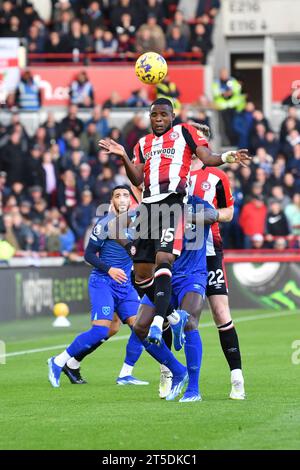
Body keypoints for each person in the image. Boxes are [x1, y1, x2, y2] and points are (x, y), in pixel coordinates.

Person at [99, 98, 250, 350]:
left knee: (164, 259)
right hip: (148, 206)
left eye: (163, 115)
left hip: (173, 203)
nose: (158, 119)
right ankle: (171, 316)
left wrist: (227, 156)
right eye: (154, 115)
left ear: (172, 116)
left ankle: (159, 321)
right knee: (142, 275)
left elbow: (207, 156)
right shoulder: (142, 144)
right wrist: (124, 155)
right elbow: (137, 177)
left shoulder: (184, 132)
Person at [48, 185, 187, 389]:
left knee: (142, 329)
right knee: (100, 332)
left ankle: (159, 371)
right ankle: (58, 361)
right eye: (117, 196)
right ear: (112, 201)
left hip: (125, 285)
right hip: (103, 282)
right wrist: (110, 268)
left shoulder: (139, 223)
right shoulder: (104, 224)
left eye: (125, 195)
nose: (122, 199)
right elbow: (88, 255)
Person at [134, 195, 218, 402]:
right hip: (164, 277)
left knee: (189, 323)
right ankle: (177, 370)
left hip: (192, 275)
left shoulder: (197, 202)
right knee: (140, 327)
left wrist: (180, 216)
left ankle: (193, 389)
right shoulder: (158, 204)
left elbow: (212, 215)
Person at [189, 145, 245, 400]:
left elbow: (230, 213)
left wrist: (210, 215)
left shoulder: (217, 176)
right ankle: (168, 373)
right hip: (178, 251)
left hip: (210, 251)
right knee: (180, 315)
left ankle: (237, 377)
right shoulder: (172, 174)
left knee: (221, 312)